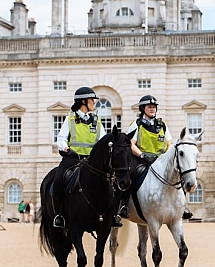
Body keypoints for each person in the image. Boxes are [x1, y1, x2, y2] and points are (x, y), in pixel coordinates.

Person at [52, 86, 112, 229]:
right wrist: (66, 149)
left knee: (111, 181)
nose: (94, 103)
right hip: (73, 159)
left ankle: (112, 214)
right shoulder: (70, 119)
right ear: (83, 101)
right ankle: (59, 215)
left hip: (92, 162)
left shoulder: (97, 121)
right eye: (92, 100)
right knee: (58, 179)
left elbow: (103, 141)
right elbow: (60, 139)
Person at [119, 94, 172, 219]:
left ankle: (180, 206)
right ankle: (123, 205)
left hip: (160, 160)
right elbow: (131, 144)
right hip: (141, 159)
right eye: (150, 106)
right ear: (143, 108)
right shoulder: (136, 124)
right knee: (129, 175)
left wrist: (165, 158)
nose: (153, 109)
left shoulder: (162, 125)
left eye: (154, 107)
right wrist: (142, 156)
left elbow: (169, 143)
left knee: (176, 174)